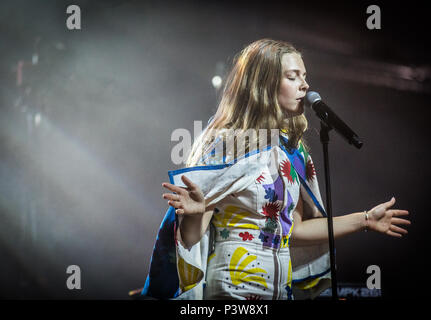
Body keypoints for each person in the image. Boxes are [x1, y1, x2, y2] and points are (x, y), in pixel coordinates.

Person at [141, 39, 410, 300]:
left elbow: (295, 229)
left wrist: (365, 219)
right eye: (293, 76)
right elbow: (191, 236)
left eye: (304, 76)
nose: (305, 85)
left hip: (282, 289)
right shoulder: (227, 142)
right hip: (234, 287)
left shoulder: (292, 150)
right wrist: (193, 214)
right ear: (264, 84)